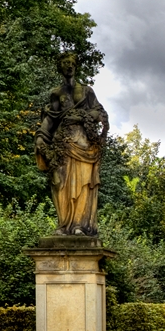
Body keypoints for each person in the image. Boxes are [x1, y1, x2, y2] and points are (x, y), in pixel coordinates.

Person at [35, 52, 109, 236]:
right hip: (62, 144)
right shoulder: (56, 93)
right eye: (65, 63)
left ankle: (78, 226)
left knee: (83, 183)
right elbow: (51, 119)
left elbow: (99, 112)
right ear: (60, 67)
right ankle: (63, 225)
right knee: (61, 183)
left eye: (72, 63)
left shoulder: (86, 91)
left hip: (84, 143)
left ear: (76, 67)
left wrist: (84, 116)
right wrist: (40, 137)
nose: (69, 65)